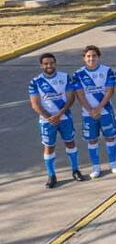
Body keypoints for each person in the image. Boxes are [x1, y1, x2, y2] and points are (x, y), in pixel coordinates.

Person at [28, 53, 86, 187]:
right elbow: (35, 104)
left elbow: (71, 98)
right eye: (46, 63)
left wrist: (59, 114)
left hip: (65, 117)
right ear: (41, 65)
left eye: (51, 63)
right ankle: (51, 175)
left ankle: (75, 170)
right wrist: (50, 117)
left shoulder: (65, 77)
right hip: (46, 121)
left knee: (70, 143)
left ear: (55, 63)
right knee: (49, 147)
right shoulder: (35, 82)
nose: (49, 66)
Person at [73, 45, 116, 177]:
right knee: (92, 140)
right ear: (84, 58)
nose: (91, 58)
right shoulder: (78, 74)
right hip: (88, 113)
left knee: (110, 137)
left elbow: (109, 91)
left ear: (98, 57)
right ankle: (96, 167)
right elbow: (80, 94)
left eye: (94, 56)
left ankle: (113, 163)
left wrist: (98, 108)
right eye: (88, 56)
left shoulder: (107, 71)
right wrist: (90, 110)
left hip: (105, 111)